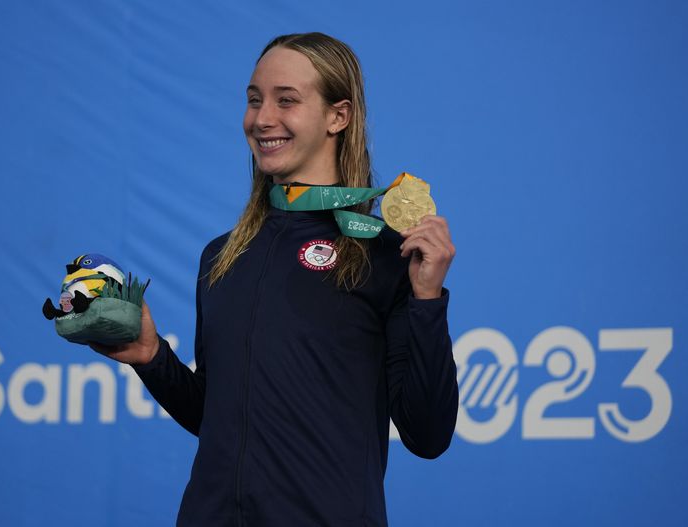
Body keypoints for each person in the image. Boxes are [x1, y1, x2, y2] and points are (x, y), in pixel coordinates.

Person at [90, 32, 458, 527]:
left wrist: (428, 300)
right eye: (254, 99)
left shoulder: (386, 255)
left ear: (338, 116)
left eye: (287, 100)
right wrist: (152, 359)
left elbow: (428, 434)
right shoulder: (221, 256)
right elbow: (216, 420)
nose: (262, 119)